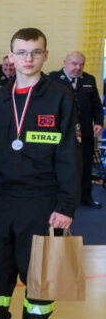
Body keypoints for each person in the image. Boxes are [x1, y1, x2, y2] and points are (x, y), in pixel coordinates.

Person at [0, 28, 80, 319]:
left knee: (40, 274)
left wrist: (66, 205)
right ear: (11, 57)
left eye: (35, 52)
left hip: (42, 198)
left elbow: (69, 154)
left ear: (46, 56)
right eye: (21, 52)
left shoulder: (60, 97)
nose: (28, 58)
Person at [50, 52, 103, 207]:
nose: (78, 68)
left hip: (85, 132)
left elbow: (97, 106)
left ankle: (85, 197)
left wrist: (99, 122)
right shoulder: (52, 79)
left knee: (85, 166)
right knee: (59, 165)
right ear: (65, 62)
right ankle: (58, 199)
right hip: (61, 133)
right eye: (74, 63)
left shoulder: (89, 80)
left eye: (81, 64)